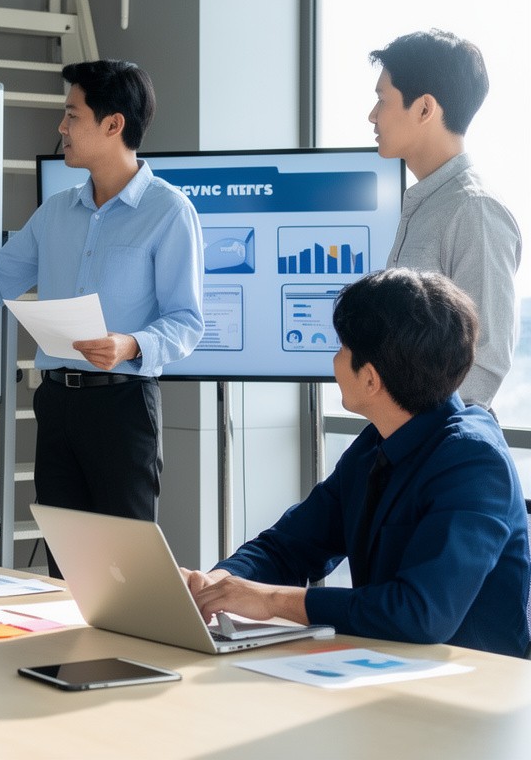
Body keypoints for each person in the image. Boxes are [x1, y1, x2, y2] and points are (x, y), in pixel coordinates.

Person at [0, 60, 204, 576]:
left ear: (113, 125)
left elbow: (186, 321)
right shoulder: (55, 213)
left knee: (128, 574)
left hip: (123, 406)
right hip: (58, 406)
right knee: (65, 572)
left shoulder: (169, 211)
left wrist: (130, 344)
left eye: (72, 114)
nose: (62, 128)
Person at [183, 269, 529, 658]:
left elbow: (420, 614)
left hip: (474, 691)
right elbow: (289, 546)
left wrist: (271, 601)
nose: (333, 359)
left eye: (341, 348)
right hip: (388, 666)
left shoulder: (474, 463)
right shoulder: (376, 442)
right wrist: (216, 583)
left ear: (370, 380)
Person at [368, 29, 521, 410]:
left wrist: (415, 433)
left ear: (424, 109)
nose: (371, 115)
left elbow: (484, 360)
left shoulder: (475, 209)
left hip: (444, 449)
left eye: (381, 99)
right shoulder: (425, 202)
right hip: (412, 441)